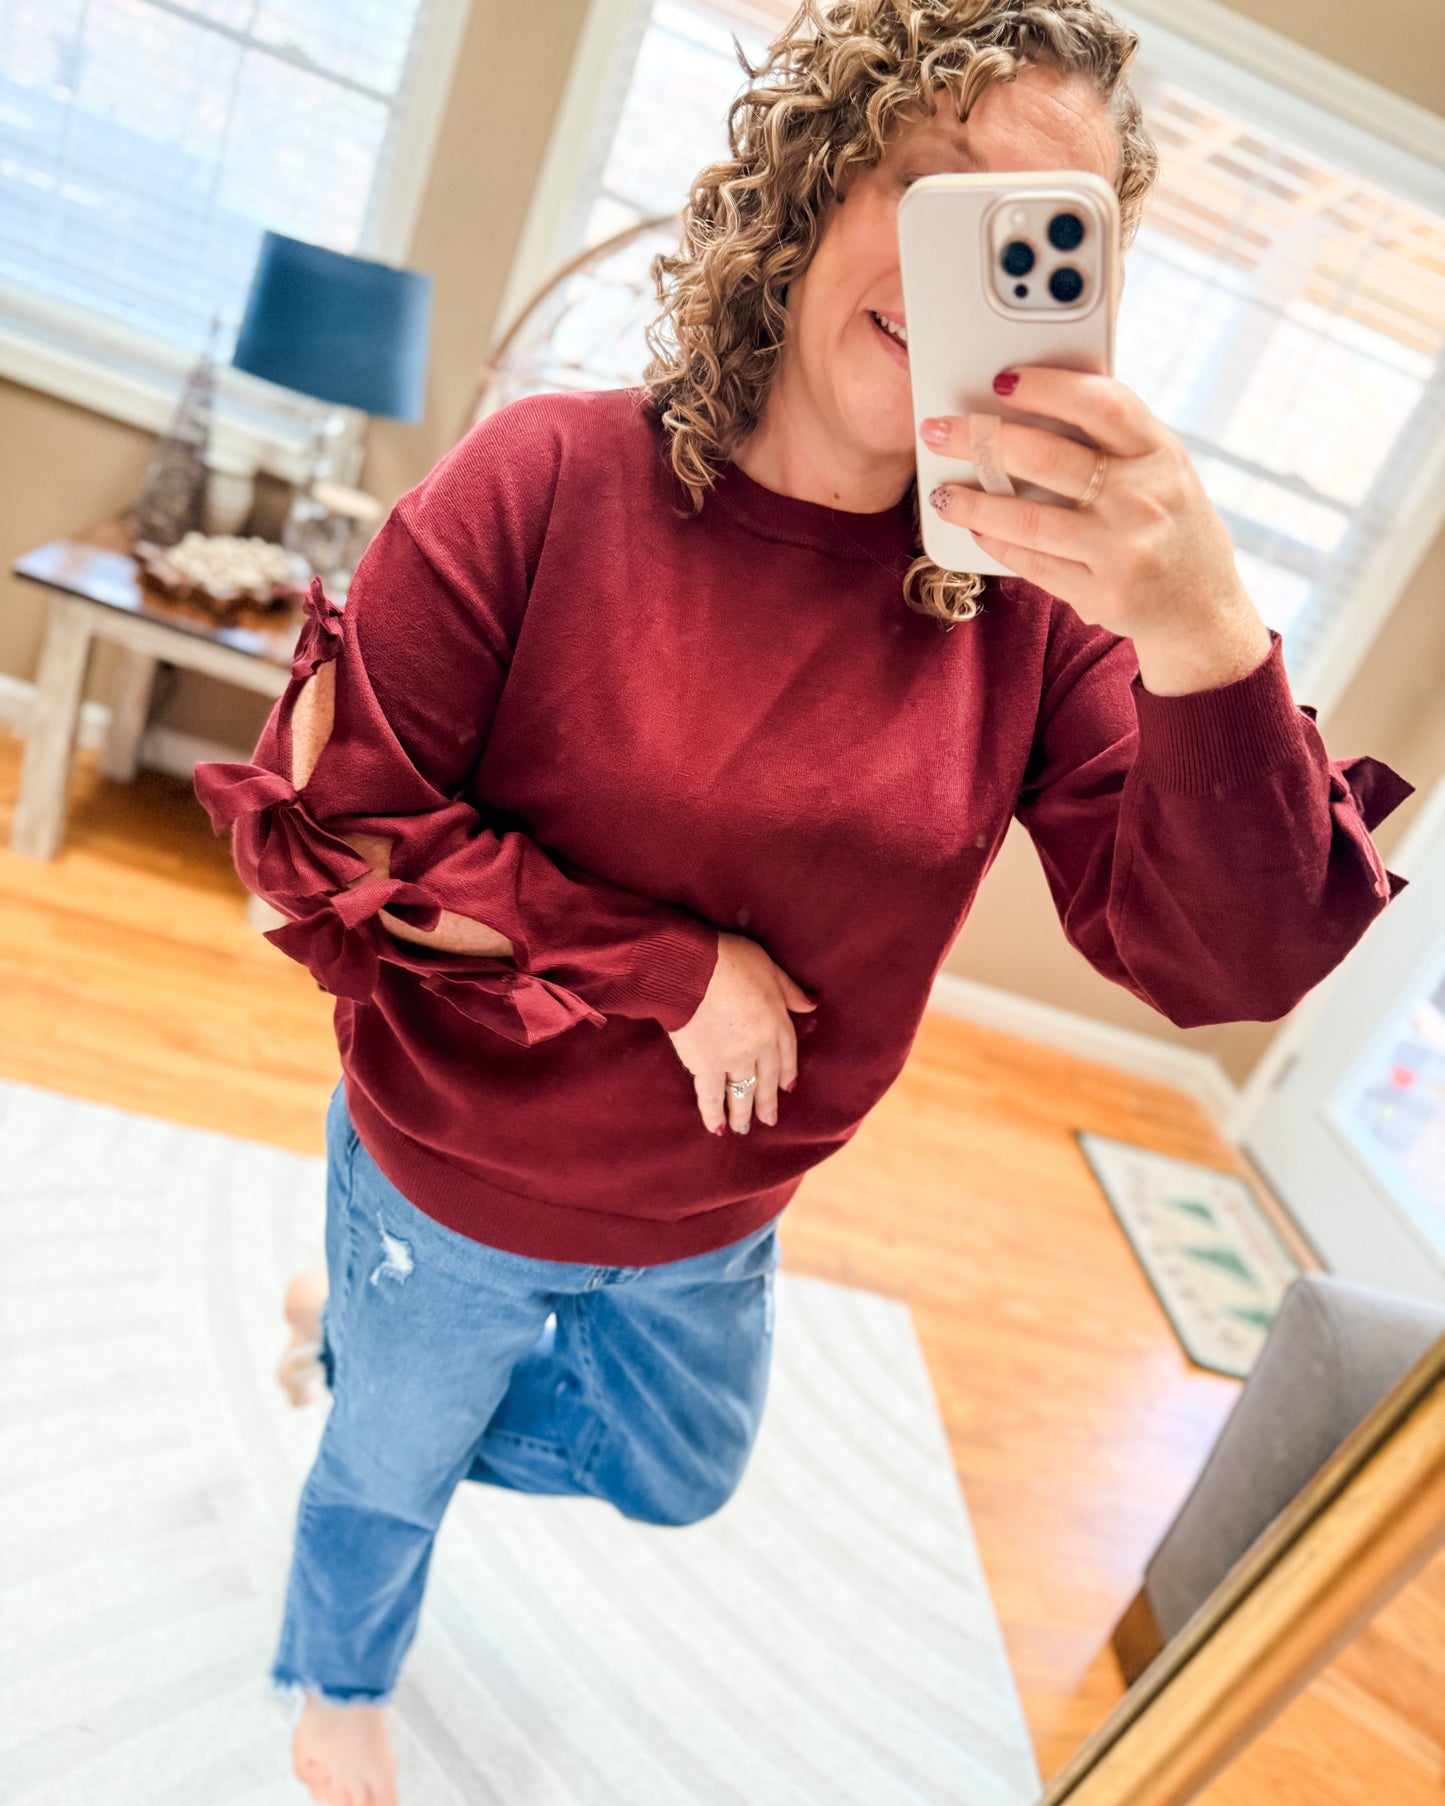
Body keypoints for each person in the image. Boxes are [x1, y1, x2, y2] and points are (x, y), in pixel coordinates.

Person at [196, 2, 1413, 1801]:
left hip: (715, 1204)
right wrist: (678, 971)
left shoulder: (1040, 621)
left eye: (1036, 239)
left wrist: (1203, 632)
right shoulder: (543, 479)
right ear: (813, 184)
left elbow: (1221, 961)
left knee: (677, 1471)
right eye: (935, 189)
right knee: (383, 1469)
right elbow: (344, 843)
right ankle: (341, 1662)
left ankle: (360, 1359)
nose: (967, 266)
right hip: (456, 1164)